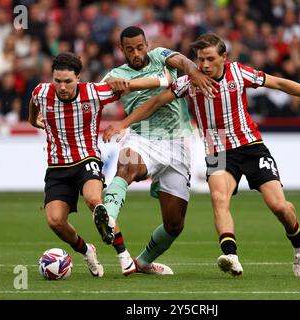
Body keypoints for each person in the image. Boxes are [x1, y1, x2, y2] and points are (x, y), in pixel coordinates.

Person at [103, 33, 300, 277]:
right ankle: (231, 256)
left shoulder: (238, 73)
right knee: (218, 197)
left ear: (223, 58)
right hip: (217, 151)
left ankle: (299, 245)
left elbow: (280, 83)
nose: (204, 65)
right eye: (200, 60)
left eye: (209, 59)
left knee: (279, 206)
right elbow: (154, 103)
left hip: (251, 146)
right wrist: (124, 123)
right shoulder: (189, 82)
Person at [28, 52, 172, 277]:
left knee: (95, 201)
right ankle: (87, 251)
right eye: (58, 81)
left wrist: (163, 81)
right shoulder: (42, 92)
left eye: (67, 81)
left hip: (87, 159)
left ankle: (123, 255)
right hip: (57, 166)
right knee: (55, 221)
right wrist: (33, 120)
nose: (62, 87)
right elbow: (34, 103)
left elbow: (130, 85)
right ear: (52, 78)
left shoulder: (94, 92)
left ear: (78, 77)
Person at [93, 26, 217, 275]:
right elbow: (89, 96)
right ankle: (108, 217)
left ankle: (143, 262)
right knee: (126, 167)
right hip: (141, 137)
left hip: (178, 142)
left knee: (174, 224)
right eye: (130, 49)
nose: (136, 53)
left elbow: (181, 60)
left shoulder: (161, 55)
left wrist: (194, 71)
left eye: (140, 47)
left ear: (147, 44)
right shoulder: (114, 76)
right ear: (122, 50)